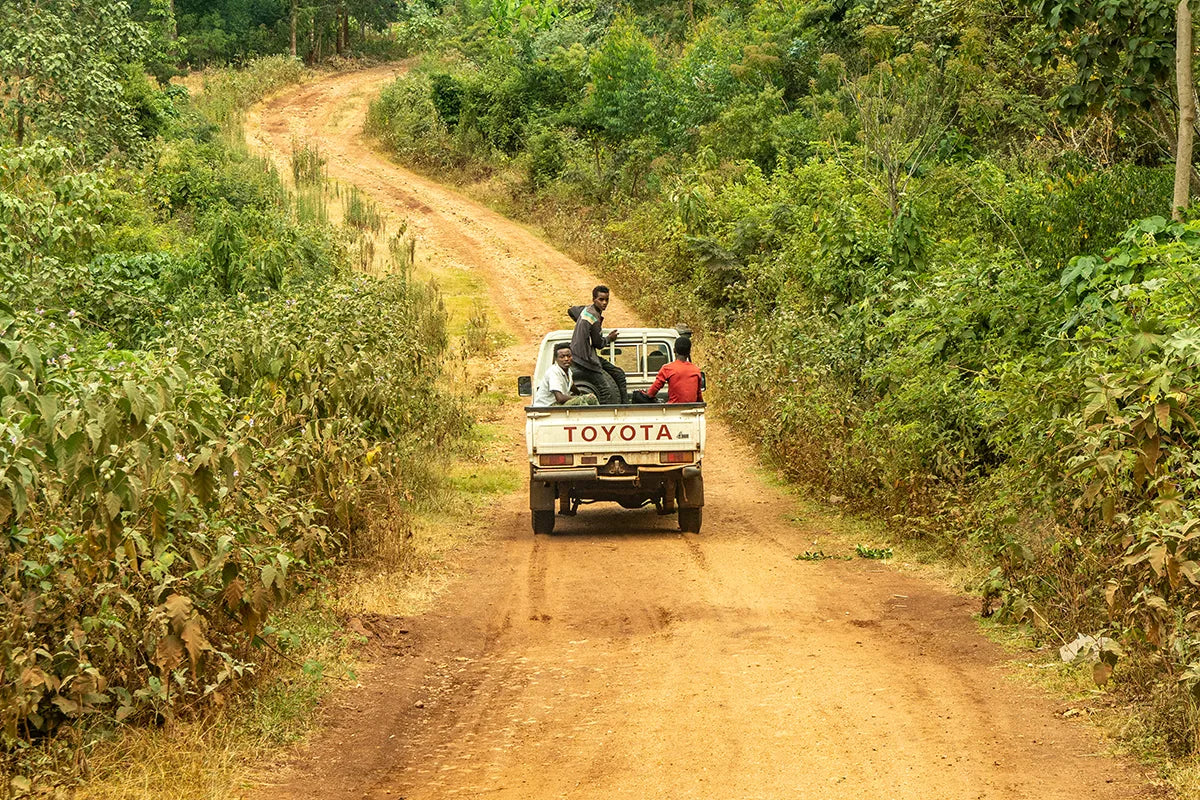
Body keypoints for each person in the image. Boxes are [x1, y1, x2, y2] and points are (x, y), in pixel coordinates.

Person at [570, 285, 627, 404]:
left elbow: (571, 310)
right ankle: (607, 413)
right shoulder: (594, 319)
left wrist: (582, 325)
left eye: (607, 299)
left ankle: (624, 406)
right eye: (601, 299)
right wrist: (609, 338)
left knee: (619, 374)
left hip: (578, 354)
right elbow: (598, 344)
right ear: (594, 299)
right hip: (586, 359)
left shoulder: (586, 310)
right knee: (606, 391)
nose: (604, 303)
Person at [534, 343, 599, 406]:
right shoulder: (554, 372)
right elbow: (560, 398)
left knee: (588, 399)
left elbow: (571, 385)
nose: (566, 359)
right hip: (548, 407)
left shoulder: (568, 371)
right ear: (556, 359)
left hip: (557, 405)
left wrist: (580, 394)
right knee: (589, 399)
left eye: (569, 356)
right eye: (562, 357)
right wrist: (581, 398)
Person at [646, 336, 702, 403]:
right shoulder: (696, 370)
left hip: (673, 408)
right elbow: (699, 395)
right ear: (689, 351)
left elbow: (654, 389)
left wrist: (647, 396)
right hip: (692, 409)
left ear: (674, 350)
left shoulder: (667, 368)